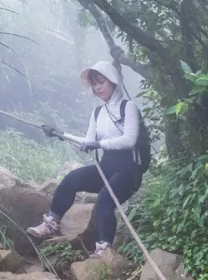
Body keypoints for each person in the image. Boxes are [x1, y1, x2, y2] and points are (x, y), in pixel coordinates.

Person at [27, 61, 143, 258]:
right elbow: (88, 143)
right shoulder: (98, 113)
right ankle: (52, 223)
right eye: (94, 83)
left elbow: (130, 140)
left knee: (105, 198)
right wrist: (59, 134)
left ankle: (104, 249)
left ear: (113, 82)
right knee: (72, 178)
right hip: (107, 166)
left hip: (129, 171)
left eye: (101, 82)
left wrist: (100, 144)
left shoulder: (128, 107)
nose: (97, 87)